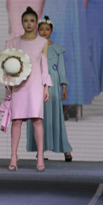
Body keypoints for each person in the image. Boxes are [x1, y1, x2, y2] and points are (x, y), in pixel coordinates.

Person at [0, 7, 52, 172]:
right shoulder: (12, 43)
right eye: (25, 20)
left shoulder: (42, 42)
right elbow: (6, 66)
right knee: (16, 120)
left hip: (35, 85)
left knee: (37, 120)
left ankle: (40, 157)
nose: (29, 23)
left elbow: (44, 65)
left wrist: (46, 87)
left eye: (32, 20)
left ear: (36, 23)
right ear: (22, 22)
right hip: (18, 85)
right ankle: (13, 157)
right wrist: (8, 84)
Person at [27, 16, 73, 161]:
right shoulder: (34, 47)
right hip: (37, 83)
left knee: (56, 117)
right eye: (41, 29)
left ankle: (66, 150)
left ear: (51, 31)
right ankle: (40, 151)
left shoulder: (57, 48)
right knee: (39, 117)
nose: (44, 32)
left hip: (52, 84)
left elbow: (61, 69)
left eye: (47, 29)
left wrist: (63, 87)